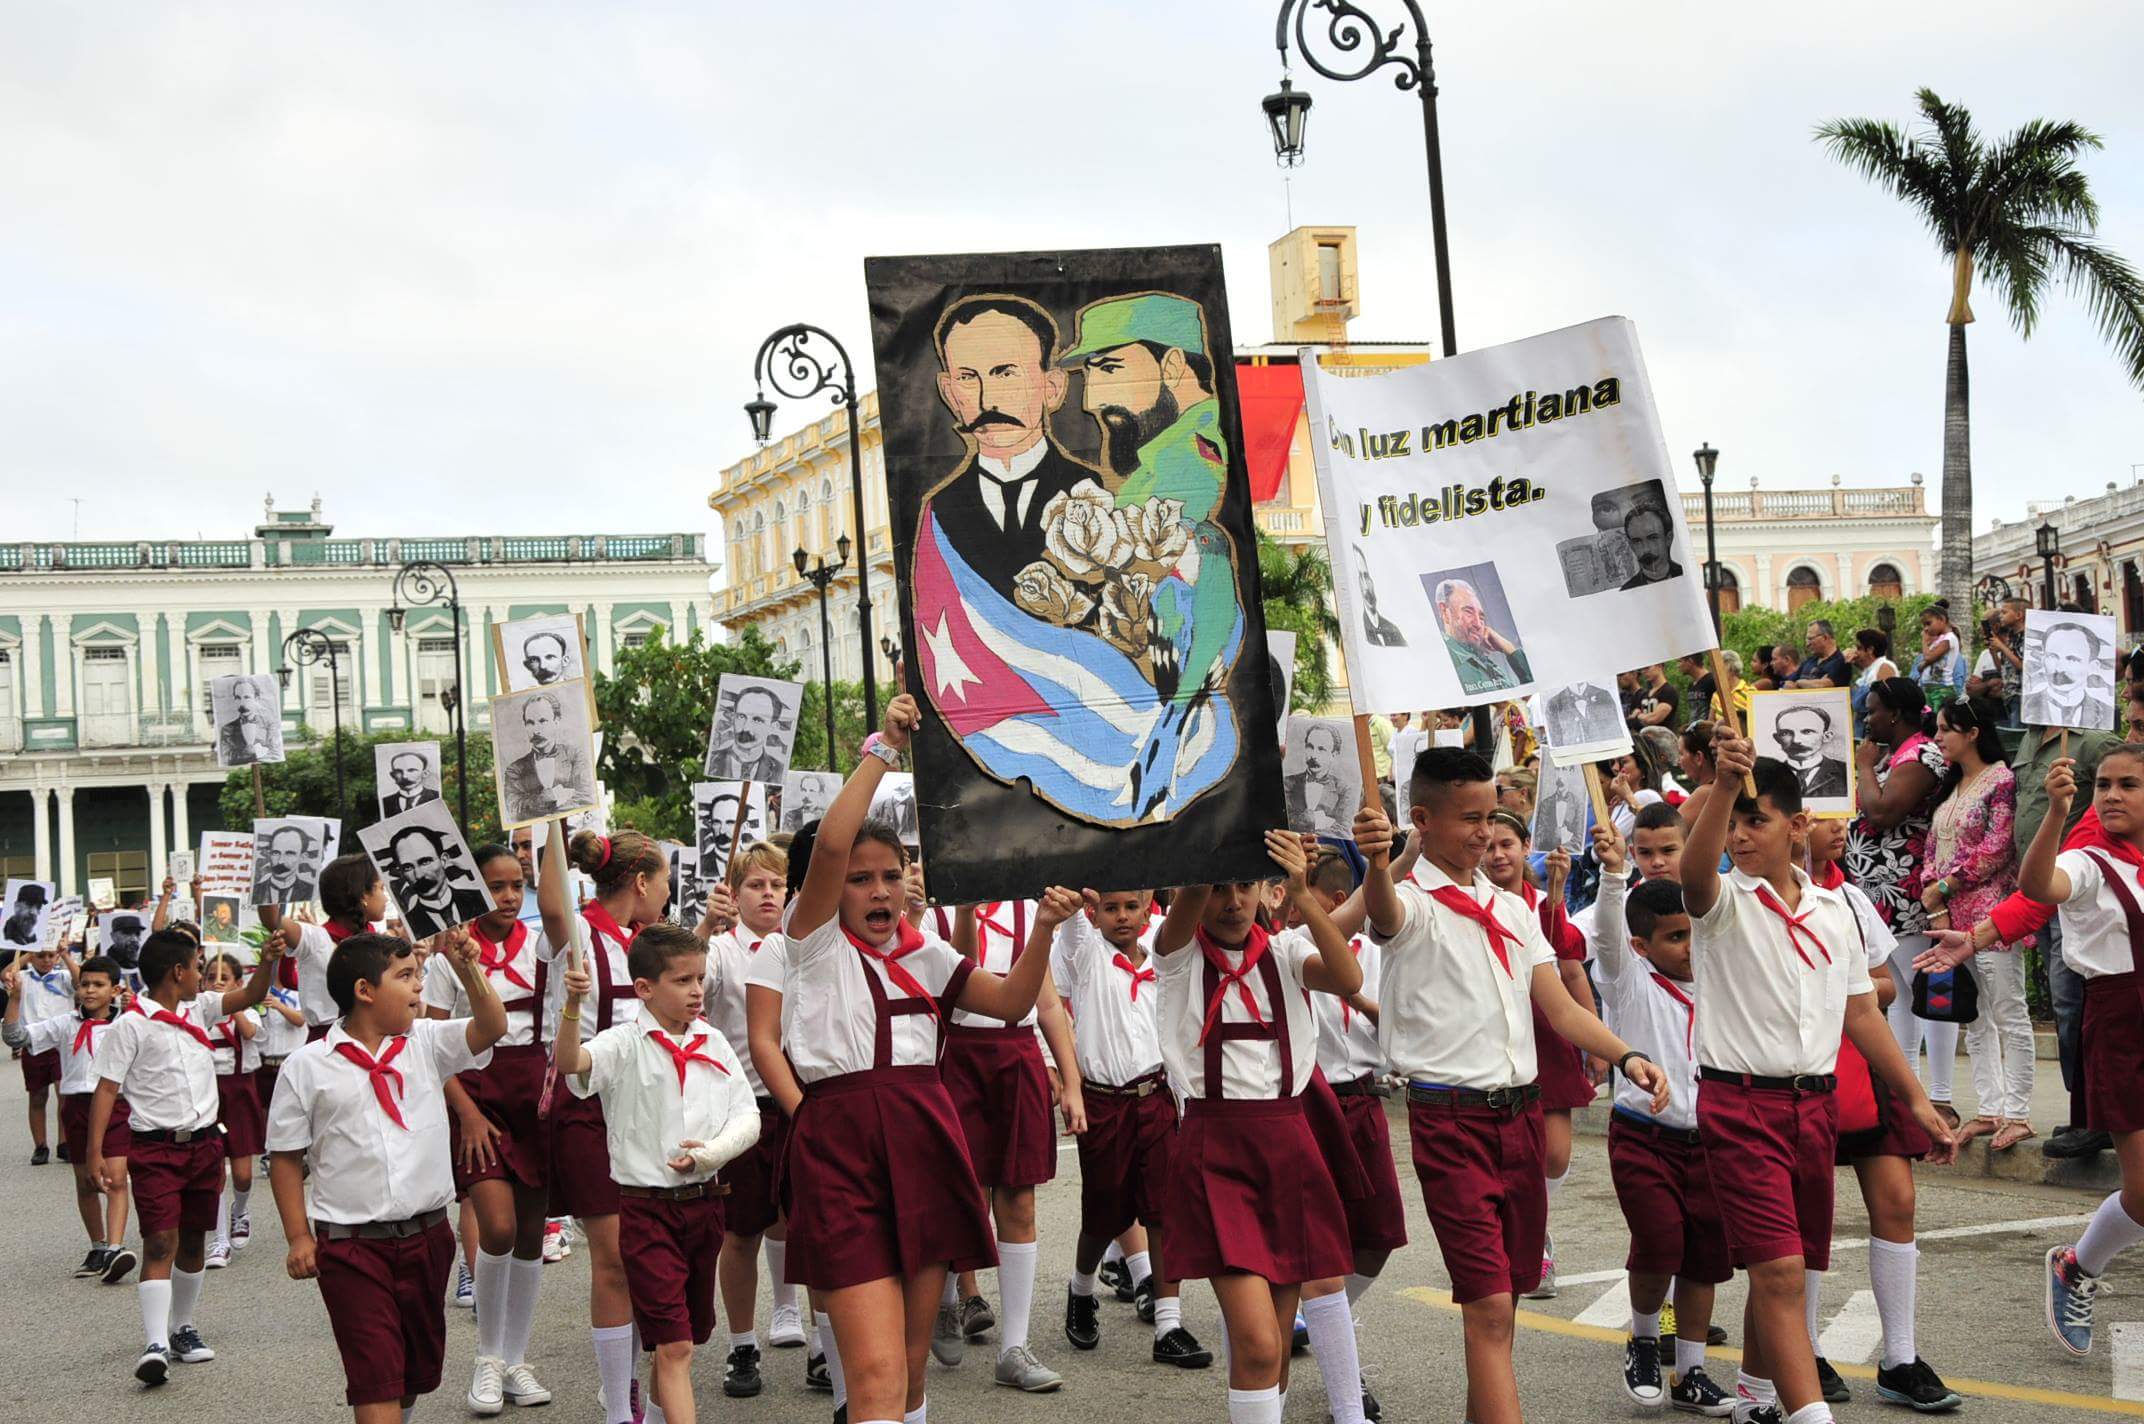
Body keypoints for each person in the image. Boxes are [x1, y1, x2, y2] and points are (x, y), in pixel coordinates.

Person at [750, 692, 1057, 1424]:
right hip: (841, 1148)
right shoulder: (810, 943)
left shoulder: (929, 954)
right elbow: (828, 846)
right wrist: (882, 749)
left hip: (927, 1142)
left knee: (912, 1376)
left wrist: (1043, 925)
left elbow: (1013, 1002)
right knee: (877, 1376)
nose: (879, 890)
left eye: (891, 875)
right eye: (862, 879)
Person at [1359, 750, 1669, 1424]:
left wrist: (1627, 1055)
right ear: (1422, 820)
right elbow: (1381, 912)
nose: (1482, 830)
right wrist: (1382, 860)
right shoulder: (1411, 904)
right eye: (1467, 818)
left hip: (1521, 1121)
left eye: (1490, 814)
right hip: (1451, 1124)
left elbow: (1559, 1009)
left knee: (1509, 1297)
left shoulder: (1512, 908)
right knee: (1490, 1305)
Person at [1679, 741, 1954, 1424]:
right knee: (1778, 1274)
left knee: (1791, 1265)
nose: (1740, 836)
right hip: (1739, 1104)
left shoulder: (1836, 912)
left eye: (1756, 821)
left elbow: (1861, 1012)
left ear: (1798, 827)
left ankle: (1754, 1398)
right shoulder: (1722, 905)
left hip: (1814, 1108)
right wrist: (1723, 787)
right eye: (1732, 823)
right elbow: (1693, 873)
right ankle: (1810, 1418)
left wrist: (1918, 1100)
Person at [1150, 830, 1364, 1424]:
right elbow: (1185, 909)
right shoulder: (1176, 956)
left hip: (1288, 1145)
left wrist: (1302, 890)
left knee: (1275, 1342)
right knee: (1258, 1343)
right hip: (1215, 1148)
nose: (1232, 901)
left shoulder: (1290, 951)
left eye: (1244, 886)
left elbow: (1348, 980)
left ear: (1266, 893)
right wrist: (1213, 835)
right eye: (1219, 888)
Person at [266, 928, 507, 1424]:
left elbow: (492, 1025)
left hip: (428, 1239)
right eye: (405, 976)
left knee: (410, 1375)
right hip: (352, 1246)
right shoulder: (306, 1066)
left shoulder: (427, 1044)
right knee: (375, 1380)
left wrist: (468, 969)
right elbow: (286, 1157)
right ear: (364, 990)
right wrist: (297, 1237)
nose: (419, 987)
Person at [559, 922, 760, 1424]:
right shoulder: (622, 1043)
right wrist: (571, 1007)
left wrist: (710, 1153)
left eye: (700, 979)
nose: (697, 991)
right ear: (645, 988)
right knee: (675, 1348)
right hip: (648, 1213)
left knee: (685, 1338)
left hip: (707, 1207)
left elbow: (747, 1117)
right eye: (683, 981)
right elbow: (571, 1063)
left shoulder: (713, 1041)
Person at [1801, 819, 1965, 1412]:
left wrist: (1853, 991)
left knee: (1897, 1201)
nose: (1835, 829)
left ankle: (1899, 1358)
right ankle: (1805, 1350)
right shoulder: (1753, 898)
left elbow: (1884, 986)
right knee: (1807, 1214)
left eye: (1839, 817)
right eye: (1819, 818)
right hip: (1798, 1069)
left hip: (1863, 1063)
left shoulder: (1849, 897)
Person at [88, 927, 283, 1385]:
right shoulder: (131, 1024)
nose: (203, 975)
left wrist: (269, 959)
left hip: (204, 1145)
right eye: (197, 967)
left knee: (194, 1239)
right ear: (178, 972)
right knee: (159, 1241)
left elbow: (252, 992)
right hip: (155, 1147)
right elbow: (107, 1088)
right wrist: (96, 1152)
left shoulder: (203, 1008)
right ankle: (154, 1342)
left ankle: (182, 1328)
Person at [1584, 847, 1736, 1415]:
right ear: (1642, 947)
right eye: (1675, 938)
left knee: (1705, 1256)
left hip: (1712, 1142)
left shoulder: (1720, 981)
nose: (1689, 947)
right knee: (1660, 1241)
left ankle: (1692, 1373)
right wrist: (1613, 874)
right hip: (1646, 1138)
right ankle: (1645, 1339)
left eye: (1693, 933)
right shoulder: (1630, 981)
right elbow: (1605, 934)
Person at [1053, 886, 1213, 1368]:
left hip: (1156, 1097)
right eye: (1110, 908)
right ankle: (1081, 1287)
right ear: (1093, 913)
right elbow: (1075, 908)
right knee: (1103, 1211)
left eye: (1131, 907)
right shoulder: (1085, 952)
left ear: (1148, 909)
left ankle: (1169, 1323)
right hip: (1105, 1102)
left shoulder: (1163, 960)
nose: (1121, 917)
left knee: (1163, 1211)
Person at [426, 842, 561, 1415]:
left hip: (535, 1094)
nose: (509, 897)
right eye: (496, 886)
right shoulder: (445, 958)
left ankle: (515, 1360)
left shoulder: (540, 945)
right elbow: (431, 1048)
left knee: (531, 1236)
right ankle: (485, 1357)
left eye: (517, 884)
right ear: (471, 887)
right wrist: (467, 1112)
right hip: (477, 1097)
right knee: (498, 1229)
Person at [543, 828, 670, 1424]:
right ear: (642, 882)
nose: (669, 891)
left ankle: (647, 1375)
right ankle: (619, 1401)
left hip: (646, 1109)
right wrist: (549, 819)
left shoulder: (653, 942)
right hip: (587, 1107)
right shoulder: (579, 932)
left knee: (649, 1253)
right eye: (664, 879)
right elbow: (549, 905)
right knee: (615, 1255)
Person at [2022, 746, 2144, 1357]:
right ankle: (2077, 1266)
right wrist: (2056, 811)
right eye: (2104, 784)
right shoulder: (2089, 861)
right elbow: (2038, 884)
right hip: (2121, 1025)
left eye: (2130, 785)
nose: (2113, 795)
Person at [936, 897, 1083, 1391]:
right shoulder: (936, 905)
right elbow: (957, 986)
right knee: (963, 1196)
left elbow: (1045, 1003)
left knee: (1019, 1201)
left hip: (1015, 1056)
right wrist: (963, 913)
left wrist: (1071, 1079)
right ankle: (946, 1300)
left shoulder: (1030, 908)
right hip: (957, 1054)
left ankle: (1014, 1348)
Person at [1294, 854, 1404, 1421]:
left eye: (1302, 896)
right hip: (1308, 1102)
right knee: (1318, 1249)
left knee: (1378, 1236)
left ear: (1332, 903)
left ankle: (1318, 1317)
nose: (1290, 907)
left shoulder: (1383, 955)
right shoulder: (1292, 949)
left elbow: (1405, 1026)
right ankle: (1342, 1376)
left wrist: (1362, 1000)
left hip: (1361, 1098)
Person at [697, 843, 807, 1399]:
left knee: (806, 1221)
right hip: (742, 1110)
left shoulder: (802, 946)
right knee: (739, 1233)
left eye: (776, 885)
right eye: (755, 886)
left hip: (804, 1104)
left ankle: (811, 1333)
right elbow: (684, 982)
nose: (768, 894)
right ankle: (742, 1345)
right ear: (734, 895)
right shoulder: (719, 951)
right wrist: (703, 927)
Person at [1476, 813, 1600, 1302]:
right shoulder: (1470, 901)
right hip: (1493, 1036)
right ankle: (1515, 1240)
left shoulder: (1544, 906)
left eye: (1508, 844)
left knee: (1554, 1154)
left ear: (1527, 847)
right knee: (1506, 1153)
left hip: (1548, 1030)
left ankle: (1536, 1231)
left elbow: (1571, 974)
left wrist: (1594, 1041)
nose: (1498, 855)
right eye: (1490, 846)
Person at [920, 295, 1102, 599]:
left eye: (1006, 373)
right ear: (949, 394)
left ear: (1052, 388)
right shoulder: (939, 512)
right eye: (967, 377)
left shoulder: (1094, 493)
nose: (987, 400)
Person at [1912, 701, 2031, 1151]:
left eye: (1946, 730)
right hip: (1951, 915)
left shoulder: (2001, 781)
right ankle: (1990, 1109)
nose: (1939, 738)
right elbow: (1931, 849)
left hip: (1994, 914)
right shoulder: (1953, 785)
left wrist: (1943, 885)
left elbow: (1999, 847)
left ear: (1974, 733)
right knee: (1974, 1016)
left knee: (2009, 1012)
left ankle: (2018, 1112)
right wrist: (1934, 896)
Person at [1847, 678, 1956, 1126]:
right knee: (1899, 996)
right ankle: (1906, 1090)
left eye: (1872, 710)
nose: (1867, 719)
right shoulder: (1895, 755)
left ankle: (1943, 1095)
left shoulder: (1922, 755)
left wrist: (1865, 767)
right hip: (1881, 897)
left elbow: (1883, 812)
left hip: (1908, 893)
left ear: (1895, 713)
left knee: (1929, 994)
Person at [2, 952, 138, 1282]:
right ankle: (98, 1244)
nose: (89, 990)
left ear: (114, 990)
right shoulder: (65, 1024)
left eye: (98, 985)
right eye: (84, 985)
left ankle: (115, 1248)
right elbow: (15, 1037)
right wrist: (16, 998)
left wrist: (136, 1006)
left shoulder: (127, 1023)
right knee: (86, 1182)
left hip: (117, 1106)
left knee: (117, 1178)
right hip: (77, 1107)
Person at [262, 854, 386, 1043]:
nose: (385, 898)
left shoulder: (382, 944)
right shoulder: (316, 939)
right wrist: (271, 874)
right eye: (381, 888)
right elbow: (273, 920)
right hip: (327, 1049)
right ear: (363, 895)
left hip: (373, 1044)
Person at [201, 952, 264, 1271]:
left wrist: (234, 1003)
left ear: (240, 984)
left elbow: (251, 1034)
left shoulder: (248, 1013)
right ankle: (219, 1240)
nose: (216, 983)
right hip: (207, 1095)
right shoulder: (199, 1013)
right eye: (211, 977)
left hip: (239, 1093)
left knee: (241, 1172)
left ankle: (240, 1210)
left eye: (225, 978)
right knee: (213, 1169)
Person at [13, 940, 72, 1164]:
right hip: (34, 1043)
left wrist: (65, 955)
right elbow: (6, 974)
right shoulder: (24, 978)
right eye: (41, 956)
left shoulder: (63, 977)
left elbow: (79, 981)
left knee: (64, 1094)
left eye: (50, 956)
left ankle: (64, 1142)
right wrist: (28, 953)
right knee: (37, 1096)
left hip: (60, 1043)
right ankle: (40, 1145)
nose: (46, 960)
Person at [502, 691, 594, 823]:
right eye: (530, 723)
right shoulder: (515, 770)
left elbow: (587, 798)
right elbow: (514, 811)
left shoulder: (575, 756)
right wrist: (547, 798)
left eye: (542, 721)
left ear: (556, 721)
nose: (536, 730)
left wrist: (545, 811)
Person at [1434, 578, 1530, 696]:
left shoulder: (1486, 663)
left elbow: (1531, 697)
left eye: (1481, 617)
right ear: (1444, 611)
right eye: (1468, 612)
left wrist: (1510, 650)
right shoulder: (1441, 659)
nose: (1478, 624)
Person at [2026, 617, 2117, 731]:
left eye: (2072, 659)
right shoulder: (2025, 708)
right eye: (2052, 657)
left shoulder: (2107, 713)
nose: (2060, 668)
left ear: (2093, 667)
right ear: (2042, 660)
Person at [710, 685, 791, 783]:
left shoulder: (780, 773)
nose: (746, 728)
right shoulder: (711, 761)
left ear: (773, 727)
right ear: (733, 717)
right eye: (741, 717)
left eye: (757, 720)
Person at [1769, 704, 1849, 801]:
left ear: (1826, 736)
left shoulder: (1845, 772)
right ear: (1777, 738)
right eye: (1786, 733)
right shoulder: (1767, 776)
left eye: (1807, 732)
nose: (1796, 740)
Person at [1285, 722, 1353, 836]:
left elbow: (1344, 832)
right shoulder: (1286, 783)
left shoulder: (1344, 790)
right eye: (1310, 747)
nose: (1313, 755)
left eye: (1321, 749)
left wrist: (1307, 823)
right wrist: (1321, 821)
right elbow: (1282, 822)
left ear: (1334, 755)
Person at [1967, 600, 2026, 726]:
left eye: (2004, 612)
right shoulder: (2012, 637)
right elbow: (2002, 669)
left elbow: (2021, 665)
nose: (2001, 616)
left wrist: (2002, 647)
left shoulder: (2024, 637)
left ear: (2018, 615)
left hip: (2020, 695)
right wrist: (1993, 651)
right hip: (2009, 696)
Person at [1847, 629, 1900, 739]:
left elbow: (1881, 701)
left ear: (1870, 649)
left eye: (1859, 648)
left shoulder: (1884, 667)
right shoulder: (1869, 671)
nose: (1856, 653)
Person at [253, 823, 320, 905]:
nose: (280, 861)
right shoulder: (254, 891)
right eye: (276, 853)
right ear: (269, 854)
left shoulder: (314, 893)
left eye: (289, 853)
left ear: (303, 857)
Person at [1618, 504, 1683, 588]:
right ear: (1631, 546)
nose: (1646, 549)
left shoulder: (1688, 575)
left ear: (1668, 538)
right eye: (1637, 541)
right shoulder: (1627, 590)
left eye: (1652, 538)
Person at [1914, 605, 1965, 710]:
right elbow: (1922, 665)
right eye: (1923, 625)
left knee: (1937, 721)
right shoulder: (1939, 640)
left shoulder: (1949, 638)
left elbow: (1928, 657)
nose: (1925, 629)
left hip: (1942, 689)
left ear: (1941, 619)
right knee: (1928, 721)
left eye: (1928, 623)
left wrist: (1923, 640)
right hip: (1929, 688)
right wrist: (1923, 664)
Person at [1784, 621, 1850, 689]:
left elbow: (1823, 686)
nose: (1807, 644)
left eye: (1810, 639)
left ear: (1825, 638)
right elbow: (1788, 683)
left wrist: (1799, 683)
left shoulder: (1841, 661)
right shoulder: (1809, 662)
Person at [381, 750, 440, 815]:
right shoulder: (383, 803)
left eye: (411, 770)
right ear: (392, 775)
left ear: (425, 773)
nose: (405, 776)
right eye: (398, 771)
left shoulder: (437, 797)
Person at [1629, 664, 1681, 733]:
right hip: (1646, 739)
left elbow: (1654, 719)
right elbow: (1632, 718)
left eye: (1647, 668)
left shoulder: (1668, 691)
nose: (1644, 672)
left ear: (1659, 666)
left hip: (1663, 740)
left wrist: (1639, 716)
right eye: (1642, 669)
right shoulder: (1644, 694)